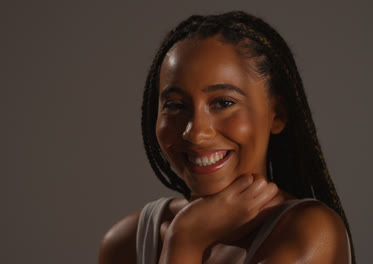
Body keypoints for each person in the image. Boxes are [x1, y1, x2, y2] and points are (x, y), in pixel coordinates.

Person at [99, 11, 355, 264]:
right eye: (176, 105)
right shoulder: (126, 242)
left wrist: (186, 239)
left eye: (223, 102)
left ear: (277, 114)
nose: (196, 133)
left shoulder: (307, 233)